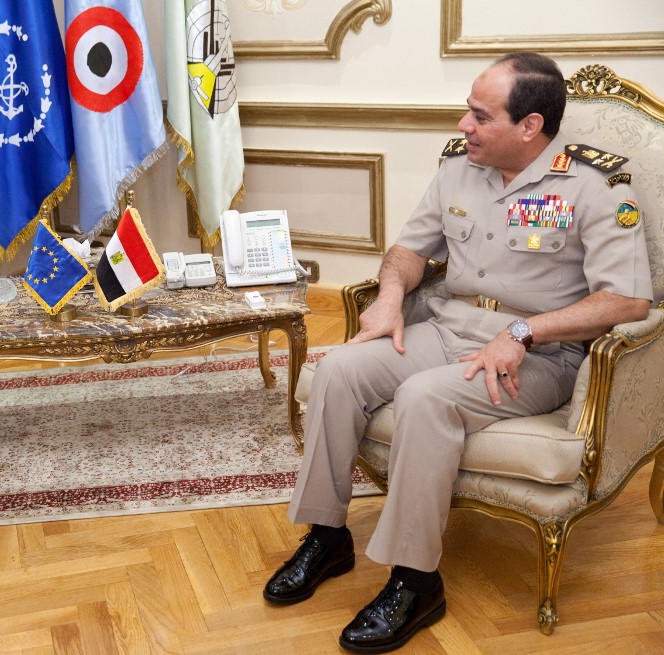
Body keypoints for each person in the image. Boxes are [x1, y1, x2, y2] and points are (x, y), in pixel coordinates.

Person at [263, 52, 652, 652]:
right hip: (447, 328)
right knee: (337, 369)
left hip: (539, 356)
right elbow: (408, 250)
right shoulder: (458, 167)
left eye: (479, 114)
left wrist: (525, 333)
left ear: (530, 127)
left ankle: (415, 580)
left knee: (423, 398)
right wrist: (391, 295)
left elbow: (627, 300)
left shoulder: (597, 186)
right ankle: (327, 536)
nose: (463, 125)